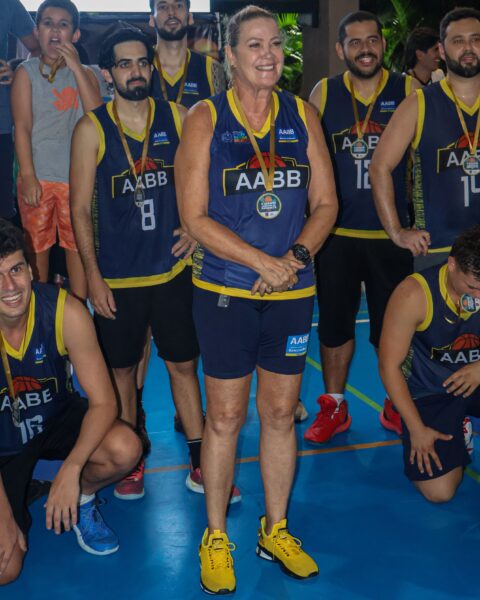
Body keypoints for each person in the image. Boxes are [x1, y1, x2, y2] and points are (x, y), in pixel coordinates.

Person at [175, 5, 338, 594]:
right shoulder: (205, 118)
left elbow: (326, 204)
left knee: (279, 413)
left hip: (291, 290)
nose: (268, 55)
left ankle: (276, 529)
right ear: (229, 55)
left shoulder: (302, 113)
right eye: (254, 45)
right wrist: (260, 263)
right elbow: (193, 217)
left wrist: (291, 259)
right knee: (224, 417)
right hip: (226, 290)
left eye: (274, 44)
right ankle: (217, 536)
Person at [70, 26, 223, 503]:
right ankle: (132, 458)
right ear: (108, 73)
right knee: (121, 373)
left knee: (183, 365)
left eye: (141, 62)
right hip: (118, 278)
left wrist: (195, 227)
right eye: (124, 64)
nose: (135, 71)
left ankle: (200, 462)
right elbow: (79, 210)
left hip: (172, 270)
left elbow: (207, 176)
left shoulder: (177, 116)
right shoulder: (91, 128)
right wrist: (93, 276)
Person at [0, 218, 142, 585]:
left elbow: (104, 403)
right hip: (4, 445)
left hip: (53, 419)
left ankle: (82, 499)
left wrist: (73, 470)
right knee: (6, 570)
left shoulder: (64, 311)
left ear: (31, 269)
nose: (9, 287)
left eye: (15, 270)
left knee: (125, 447)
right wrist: (4, 516)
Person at [303, 11, 417, 445]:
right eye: (355, 42)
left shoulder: (408, 90)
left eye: (372, 40)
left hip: (392, 234)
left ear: (383, 45)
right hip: (337, 234)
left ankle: (395, 403)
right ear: (340, 49)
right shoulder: (324, 92)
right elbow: (309, 158)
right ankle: (334, 405)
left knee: (394, 328)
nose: (365, 49)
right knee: (334, 326)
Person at [370, 6, 480, 434]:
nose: (468, 48)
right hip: (439, 250)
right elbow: (380, 166)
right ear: (442, 49)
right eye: (457, 40)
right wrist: (397, 231)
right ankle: (438, 416)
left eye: (475, 39)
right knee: (438, 346)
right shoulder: (420, 103)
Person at [378, 225, 480, 503]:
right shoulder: (413, 294)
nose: (478, 296)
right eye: (472, 287)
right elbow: (389, 366)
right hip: (432, 390)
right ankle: (457, 428)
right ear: (452, 265)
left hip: (476, 377)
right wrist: (416, 428)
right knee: (439, 492)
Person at [11, 0, 102, 299]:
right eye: (48, 23)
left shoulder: (87, 74)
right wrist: (28, 174)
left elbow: (98, 118)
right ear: (37, 31)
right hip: (38, 175)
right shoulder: (26, 72)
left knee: (78, 245)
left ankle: (79, 308)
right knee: (37, 247)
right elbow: (22, 126)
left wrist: (76, 67)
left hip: (78, 179)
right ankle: (41, 309)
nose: (55, 30)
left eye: (64, 25)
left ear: (75, 35)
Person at [0, 0, 40, 222]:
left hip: (0, 123)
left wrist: (22, 75)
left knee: (2, 213)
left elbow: (40, 46)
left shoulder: (7, 4)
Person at [149, 0, 225, 108]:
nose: (171, 12)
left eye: (179, 5)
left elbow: (221, 116)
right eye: (163, 7)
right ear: (152, 20)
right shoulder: (139, 65)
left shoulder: (212, 68)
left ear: (190, 18)